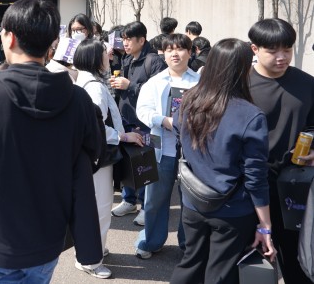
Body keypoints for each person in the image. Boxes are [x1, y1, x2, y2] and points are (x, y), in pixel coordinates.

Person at [0, 0, 104, 283]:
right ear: (52, 43)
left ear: (10, 37)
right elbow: (93, 157)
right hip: (48, 240)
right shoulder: (79, 100)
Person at [170, 38, 276, 283]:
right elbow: (255, 177)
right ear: (243, 69)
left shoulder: (188, 101)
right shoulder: (251, 115)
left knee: (190, 264)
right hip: (232, 210)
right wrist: (265, 225)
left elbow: (178, 136)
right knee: (220, 274)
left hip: (193, 201)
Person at [247, 18, 314, 283]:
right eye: (273, 50)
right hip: (249, 186)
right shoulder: (240, 85)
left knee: (297, 260)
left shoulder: (307, 84)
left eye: (287, 50)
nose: (282, 57)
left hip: (294, 185)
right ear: (254, 49)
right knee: (251, 263)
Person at [73, 38, 144, 279]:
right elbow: (97, 128)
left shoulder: (82, 80)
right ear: (95, 57)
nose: (109, 54)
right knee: (100, 208)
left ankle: (93, 249)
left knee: (93, 207)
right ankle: (91, 260)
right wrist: (123, 136)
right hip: (99, 157)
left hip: (89, 156)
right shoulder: (94, 86)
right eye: (105, 52)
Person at [134, 34, 200, 259]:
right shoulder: (155, 82)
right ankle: (151, 241)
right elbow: (142, 111)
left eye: (180, 49)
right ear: (163, 54)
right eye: (170, 49)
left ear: (190, 53)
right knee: (154, 199)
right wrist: (163, 120)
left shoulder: (200, 82)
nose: (175, 54)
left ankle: (187, 244)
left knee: (189, 202)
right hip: (158, 145)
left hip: (191, 151)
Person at [110, 21, 166, 223]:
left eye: (128, 39)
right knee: (129, 162)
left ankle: (145, 206)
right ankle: (129, 200)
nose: (124, 43)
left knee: (145, 165)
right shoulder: (127, 59)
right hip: (127, 119)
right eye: (123, 39)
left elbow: (159, 93)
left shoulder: (154, 61)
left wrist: (130, 85)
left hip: (146, 123)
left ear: (141, 40)